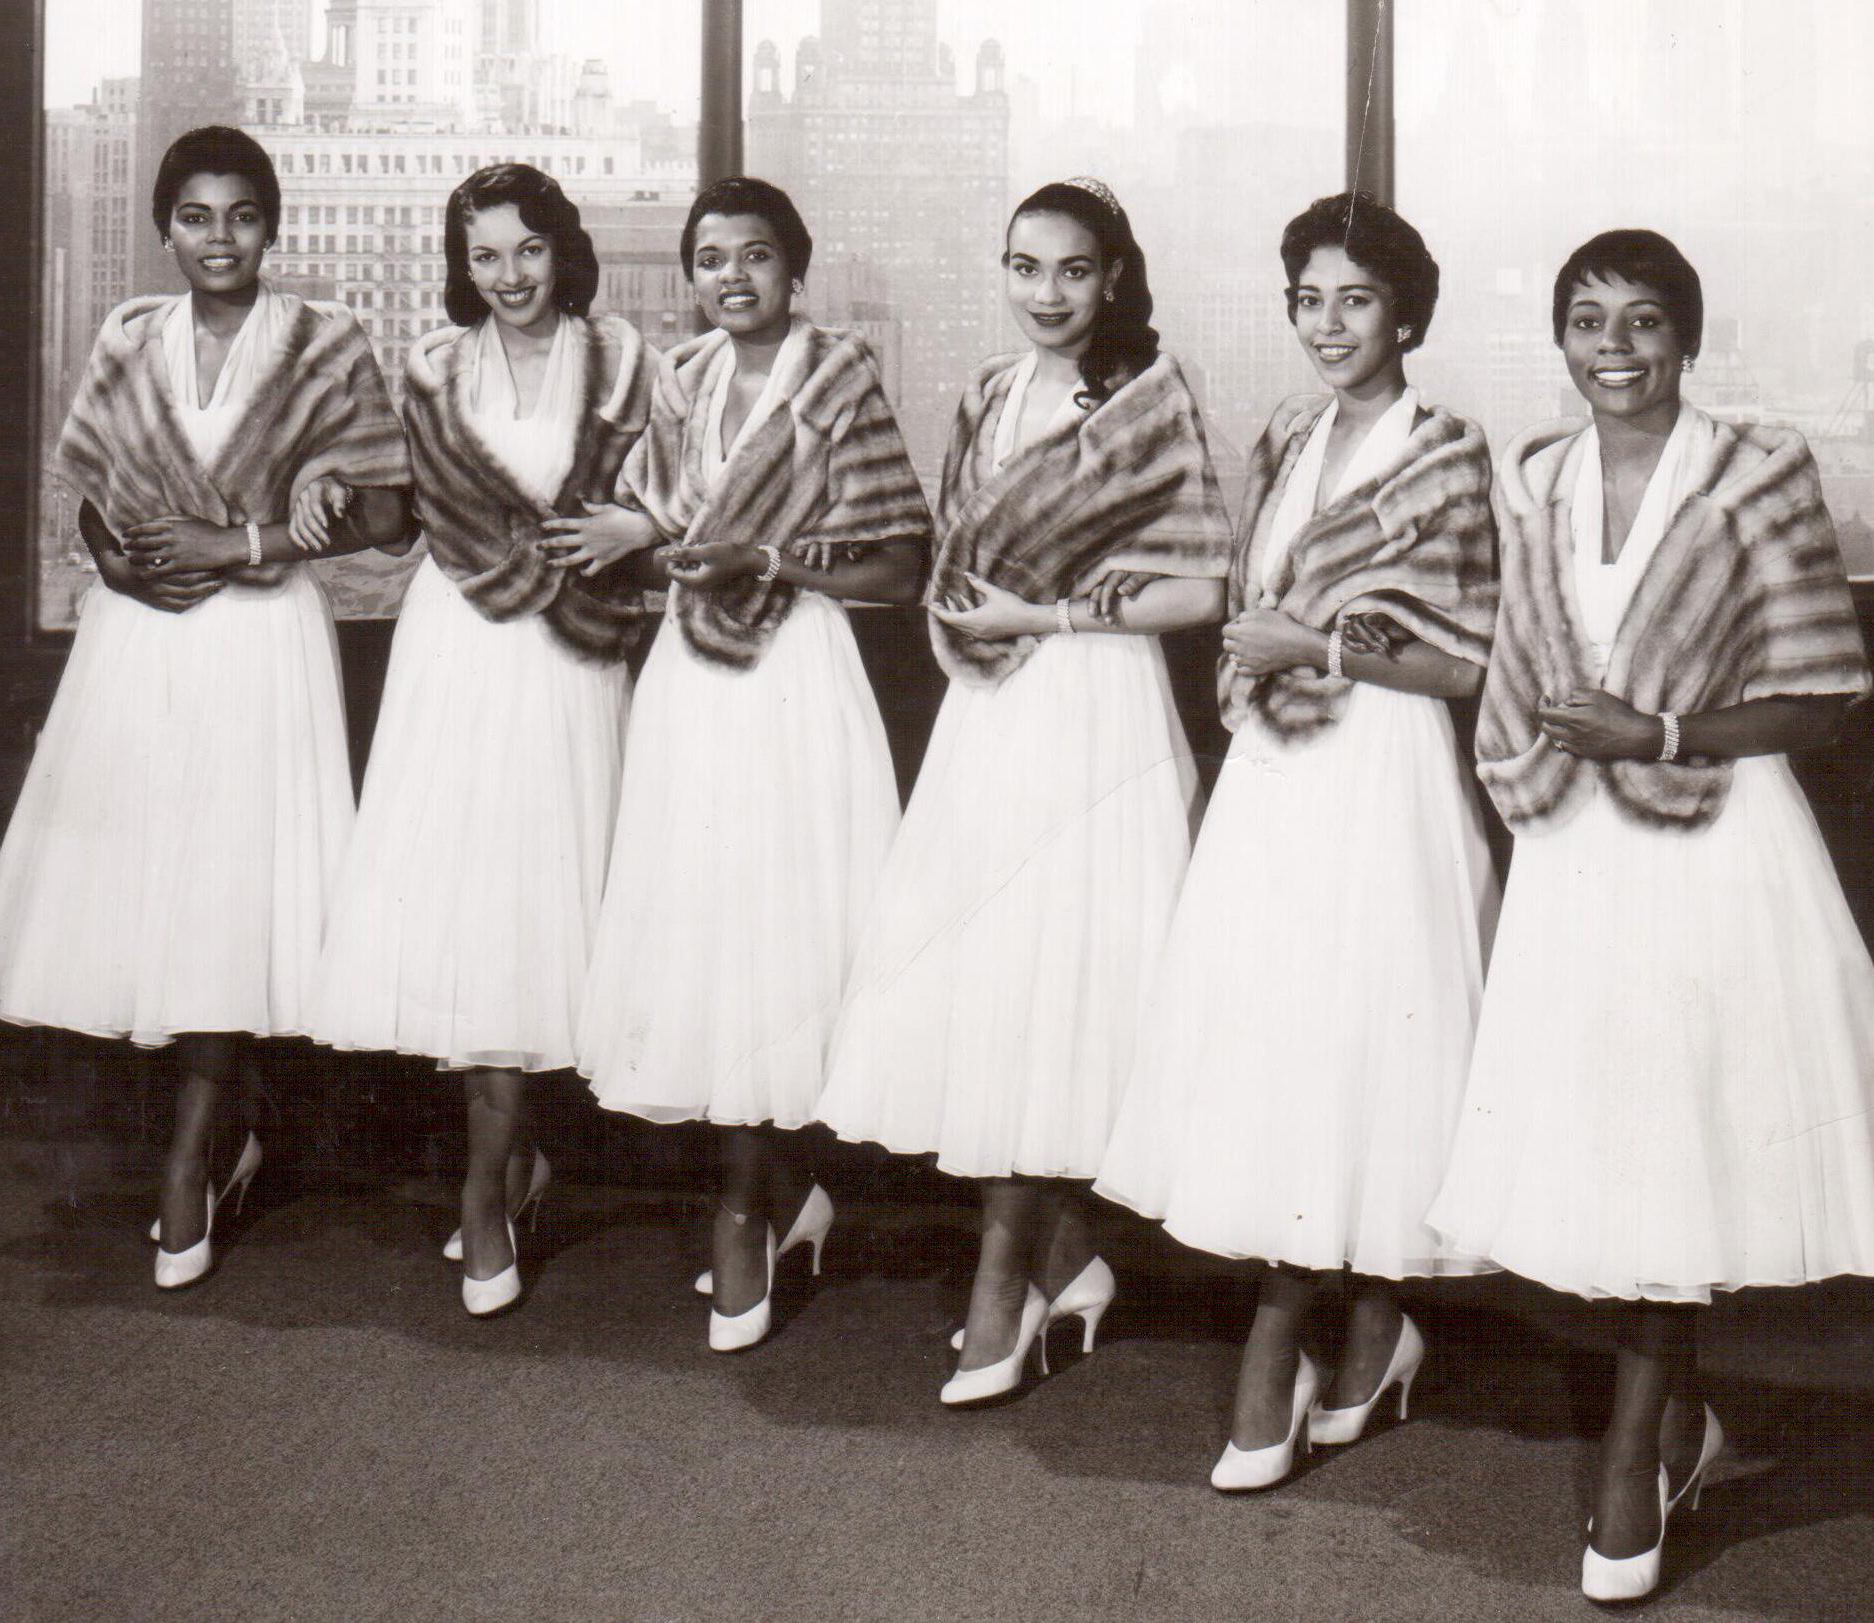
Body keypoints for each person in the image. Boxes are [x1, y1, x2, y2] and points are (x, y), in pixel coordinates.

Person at [1426, 229, 1874, 1602]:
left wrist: (1656, 726)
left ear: (1687, 337)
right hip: (1576, 850)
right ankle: (1676, 1417)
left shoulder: (1756, 469)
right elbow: (1513, 666)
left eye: (1642, 321)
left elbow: (1822, 687)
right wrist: (1559, 759)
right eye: (1585, 320)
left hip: (1718, 846)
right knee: (1610, 1150)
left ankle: (1633, 1452)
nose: (1612, 348)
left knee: (1680, 1144)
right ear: (1555, 338)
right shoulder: (1535, 474)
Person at [0, 124, 413, 1292]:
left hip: (260, 644)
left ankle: (191, 1157)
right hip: (140, 643)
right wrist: (112, 564)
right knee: (150, 889)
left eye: (242, 215)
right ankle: (221, 1131)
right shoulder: (127, 335)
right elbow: (96, 497)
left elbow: (385, 516)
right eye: (196, 217)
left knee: (227, 891)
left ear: (274, 225)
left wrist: (249, 535)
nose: (219, 239)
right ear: (165, 225)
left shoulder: (324, 340)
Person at [1094, 193, 1501, 1490]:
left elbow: (1465, 661)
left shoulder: (1445, 451)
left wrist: (1315, 647)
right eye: (1307, 299)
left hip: (1380, 782)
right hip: (1276, 781)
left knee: (1362, 1050)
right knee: (1282, 1049)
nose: (1328, 325)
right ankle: (1371, 1333)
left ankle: (1305, 1333)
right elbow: (1239, 605)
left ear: (1407, 314)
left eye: (1356, 299)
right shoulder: (1280, 433)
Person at [811, 178, 1231, 1406]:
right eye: (1025, 268)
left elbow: (1200, 590)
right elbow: (952, 554)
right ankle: (1067, 1260)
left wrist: (1037, 615)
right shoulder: (988, 396)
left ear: (1113, 281)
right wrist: (975, 625)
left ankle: (1008, 1277)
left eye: (1072, 272)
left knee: (1059, 986)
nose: (1046, 295)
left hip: (1093, 713)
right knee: (996, 984)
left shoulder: (1150, 401)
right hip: (990, 717)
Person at [565, 178, 936, 1352]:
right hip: (690, 687)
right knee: (709, 937)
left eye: (756, 256)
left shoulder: (836, 379)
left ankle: (748, 1207)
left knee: (781, 941)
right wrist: (646, 534)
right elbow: (658, 531)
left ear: (795, 268)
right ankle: (773, 1197)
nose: (732, 277)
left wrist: (765, 556)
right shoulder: (678, 384)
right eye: (711, 257)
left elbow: (897, 565)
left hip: (794, 680)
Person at [296, 162, 654, 1317]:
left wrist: (634, 527)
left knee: (538, 909)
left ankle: (498, 1175)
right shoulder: (431, 366)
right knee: (465, 911)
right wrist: (332, 491)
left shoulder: (624, 360)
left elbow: (680, 501)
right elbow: (402, 514)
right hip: (452, 648)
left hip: (564, 657)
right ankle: (487, 1183)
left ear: (563, 250)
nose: (507, 277)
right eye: (484, 256)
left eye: (527, 251)